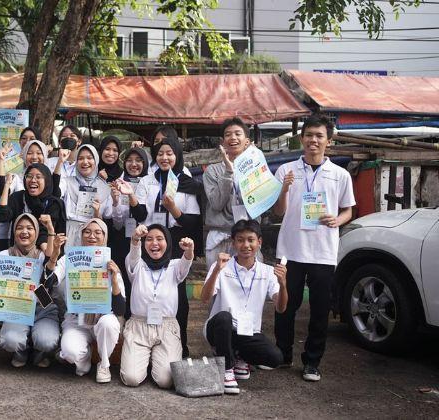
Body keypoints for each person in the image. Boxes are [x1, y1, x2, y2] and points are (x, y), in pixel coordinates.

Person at [272, 114, 355, 382]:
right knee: (285, 305)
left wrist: (337, 220)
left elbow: (348, 210)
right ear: (301, 138)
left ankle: (312, 362)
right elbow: (278, 213)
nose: (313, 140)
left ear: (328, 141)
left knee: (320, 310)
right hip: (290, 250)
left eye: (319, 136)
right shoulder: (285, 170)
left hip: (323, 252)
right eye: (309, 135)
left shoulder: (340, 175)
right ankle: (281, 354)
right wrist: (284, 190)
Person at [201, 220, 288, 394]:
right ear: (233, 243)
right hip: (218, 328)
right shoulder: (222, 267)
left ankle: (238, 356)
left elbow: (281, 308)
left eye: (251, 240)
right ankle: (227, 368)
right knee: (224, 317)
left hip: (248, 332)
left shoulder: (267, 271)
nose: (246, 245)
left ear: (259, 242)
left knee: (276, 358)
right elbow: (204, 298)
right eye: (240, 240)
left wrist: (283, 284)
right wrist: (217, 271)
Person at [138, 130, 202, 357]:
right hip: (151, 240)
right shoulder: (147, 181)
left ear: (177, 156)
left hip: (175, 241)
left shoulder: (187, 183)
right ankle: (146, 345)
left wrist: (173, 207)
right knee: (148, 291)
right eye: (161, 153)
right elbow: (139, 213)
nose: (165, 158)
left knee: (177, 295)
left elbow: (192, 221)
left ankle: (180, 344)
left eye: (170, 153)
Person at [120, 224, 194, 388]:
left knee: (166, 380)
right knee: (131, 378)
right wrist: (135, 239)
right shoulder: (137, 265)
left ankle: (156, 360)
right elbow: (133, 254)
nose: (154, 243)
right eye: (149, 239)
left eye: (160, 239)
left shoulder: (175, 266)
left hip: (166, 327)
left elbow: (187, 261)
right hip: (139, 327)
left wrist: (189, 249)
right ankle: (145, 359)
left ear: (167, 242)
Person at [56, 218, 124, 383]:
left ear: (104, 236)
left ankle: (104, 364)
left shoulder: (111, 264)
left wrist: (114, 279)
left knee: (109, 324)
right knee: (70, 351)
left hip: (102, 318)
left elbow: (120, 309)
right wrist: (54, 256)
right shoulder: (68, 259)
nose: (91, 236)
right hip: (76, 320)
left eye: (97, 232)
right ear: (81, 235)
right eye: (87, 232)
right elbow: (52, 278)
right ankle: (84, 360)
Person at [0, 213, 61, 368]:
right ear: (14, 232)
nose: (24, 232)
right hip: (16, 309)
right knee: (11, 341)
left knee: (47, 341)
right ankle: (21, 351)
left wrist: (50, 229)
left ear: (37, 233)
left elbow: (50, 263)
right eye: (19, 228)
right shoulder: (3, 256)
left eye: (29, 228)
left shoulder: (41, 256)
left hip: (42, 307)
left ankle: (39, 352)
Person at [204, 118, 254, 269]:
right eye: (228, 134)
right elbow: (217, 204)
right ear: (222, 141)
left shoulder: (255, 169)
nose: (233, 138)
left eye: (238, 133)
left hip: (247, 237)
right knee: (216, 284)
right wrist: (228, 173)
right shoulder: (213, 171)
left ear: (247, 141)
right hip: (219, 236)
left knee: (248, 285)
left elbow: (261, 203)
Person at [110, 147, 150, 318]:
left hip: (145, 237)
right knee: (124, 278)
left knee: (142, 279)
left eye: (138, 160)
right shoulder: (118, 182)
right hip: (122, 239)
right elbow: (118, 223)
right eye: (129, 160)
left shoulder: (150, 182)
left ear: (145, 163)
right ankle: (124, 318)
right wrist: (116, 200)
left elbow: (144, 214)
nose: (133, 164)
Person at [0, 164, 66, 250]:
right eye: (29, 176)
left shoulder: (54, 203)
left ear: (47, 180)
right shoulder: (18, 197)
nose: (33, 180)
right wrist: (6, 185)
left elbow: (45, 231)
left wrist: (47, 253)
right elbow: (2, 217)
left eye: (38, 177)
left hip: (44, 251)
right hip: (18, 252)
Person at [60, 144, 113, 247]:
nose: (85, 162)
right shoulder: (67, 182)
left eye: (89, 158)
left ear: (96, 161)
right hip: (70, 234)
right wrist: (60, 162)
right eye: (80, 158)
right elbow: (56, 192)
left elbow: (109, 214)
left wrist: (97, 212)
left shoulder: (103, 187)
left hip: (93, 237)